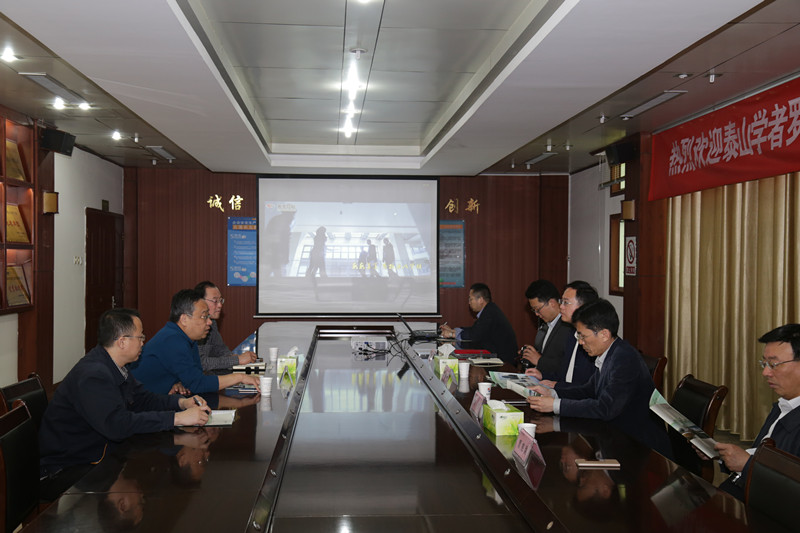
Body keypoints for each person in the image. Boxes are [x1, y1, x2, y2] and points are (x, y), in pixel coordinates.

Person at [38, 308, 211, 495]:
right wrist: (177, 419)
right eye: (140, 337)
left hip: (97, 454)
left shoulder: (115, 366)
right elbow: (117, 425)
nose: (143, 343)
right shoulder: (93, 375)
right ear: (122, 342)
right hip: (69, 467)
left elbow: (143, 400)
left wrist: (181, 403)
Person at [527, 299, 670, 454]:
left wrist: (555, 405)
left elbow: (605, 408)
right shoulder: (610, 353)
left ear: (604, 334)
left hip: (639, 447)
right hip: (614, 435)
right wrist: (553, 393)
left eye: (583, 336)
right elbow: (588, 390)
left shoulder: (624, 358)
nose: (580, 342)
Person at [716, 324, 800, 501]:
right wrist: (722, 455)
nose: (765, 372)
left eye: (773, 364)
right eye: (764, 363)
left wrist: (747, 465)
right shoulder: (783, 404)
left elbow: (791, 492)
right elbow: (763, 457)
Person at [132, 289, 261, 395]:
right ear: (184, 319)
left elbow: (196, 376)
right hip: (140, 405)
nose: (209, 322)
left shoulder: (188, 338)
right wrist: (240, 377)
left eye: (208, 317)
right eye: (204, 317)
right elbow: (198, 384)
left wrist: (180, 382)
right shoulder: (172, 340)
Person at [526, 280, 599, 388]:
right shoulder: (572, 335)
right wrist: (542, 375)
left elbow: (585, 388)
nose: (560, 307)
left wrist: (557, 389)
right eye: (562, 301)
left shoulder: (593, 341)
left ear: (582, 306)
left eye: (566, 302)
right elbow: (565, 374)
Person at [440, 282, 518, 363]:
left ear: (480, 300)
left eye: (471, 299)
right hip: (497, 356)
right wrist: (453, 331)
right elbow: (475, 330)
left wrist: (451, 334)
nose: (469, 302)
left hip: (504, 362)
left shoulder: (489, 313)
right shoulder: (489, 310)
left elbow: (474, 335)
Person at [194, 281, 257, 375]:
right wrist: (237, 360)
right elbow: (200, 363)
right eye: (215, 301)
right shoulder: (193, 326)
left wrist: (239, 357)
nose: (220, 305)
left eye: (220, 300)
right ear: (200, 302)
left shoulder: (212, 323)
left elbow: (220, 350)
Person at [519, 279, 574, 375]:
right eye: (534, 310)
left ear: (552, 303)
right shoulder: (544, 326)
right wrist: (530, 354)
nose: (536, 314)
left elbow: (568, 366)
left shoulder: (568, 327)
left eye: (537, 309)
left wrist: (539, 360)